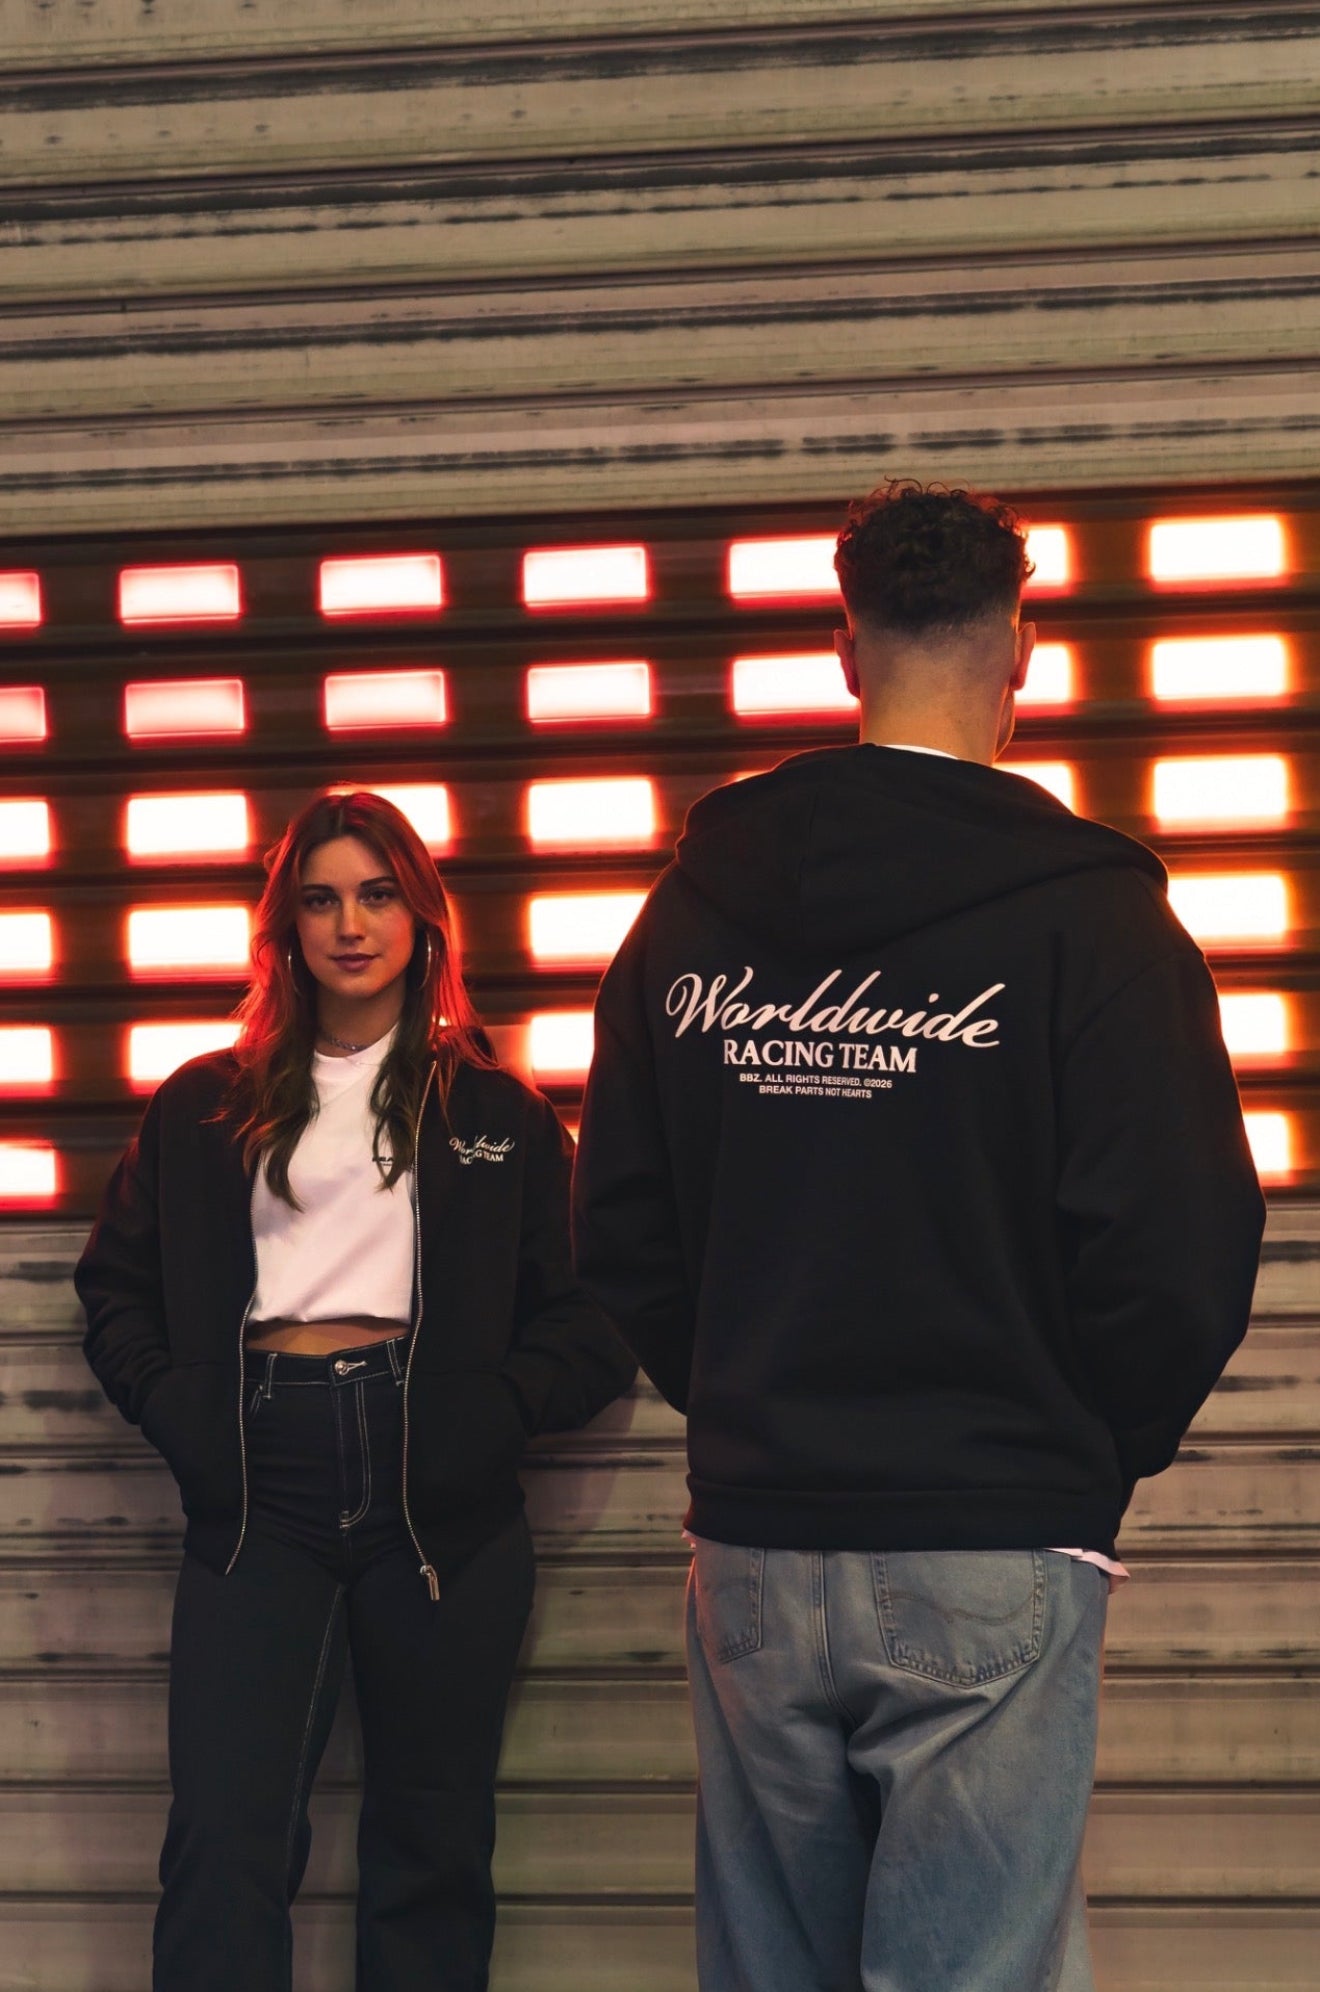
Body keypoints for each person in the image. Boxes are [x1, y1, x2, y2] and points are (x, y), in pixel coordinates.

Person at [571, 480, 1265, 1992]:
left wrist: (753, 1399)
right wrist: (1075, 1444)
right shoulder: (1097, 925)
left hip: (756, 1548)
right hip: (992, 1533)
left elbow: (619, 1222)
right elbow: (1182, 1244)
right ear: (1023, 649)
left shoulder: (688, 917)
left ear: (845, 647)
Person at [76, 788, 635, 1992]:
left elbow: (594, 1315)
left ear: (422, 917)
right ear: (286, 925)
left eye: (378, 895)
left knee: (432, 1849)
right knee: (224, 1843)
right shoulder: (204, 1103)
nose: (351, 925)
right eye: (322, 899)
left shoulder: (495, 1113)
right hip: (257, 1490)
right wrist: (183, 1416)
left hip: (438, 1501)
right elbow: (114, 1291)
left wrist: (491, 1414)